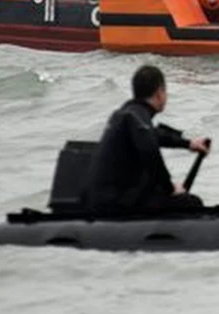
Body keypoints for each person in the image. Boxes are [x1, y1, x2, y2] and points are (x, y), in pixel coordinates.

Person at [82, 65, 210, 215]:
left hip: (101, 199)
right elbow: (149, 150)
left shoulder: (126, 114)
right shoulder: (138, 118)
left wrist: (189, 143)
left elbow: (154, 135)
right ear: (159, 94)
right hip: (117, 204)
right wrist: (170, 188)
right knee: (192, 203)